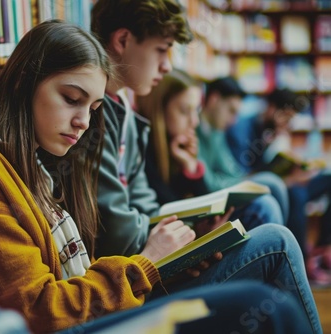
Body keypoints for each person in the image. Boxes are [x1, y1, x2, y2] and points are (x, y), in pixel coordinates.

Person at [0, 19, 321, 333]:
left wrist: (172, 260)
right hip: (81, 320)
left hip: (105, 301)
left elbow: (82, 267)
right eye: (71, 99)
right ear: (23, 84)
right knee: (270, 261)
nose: (83, 122)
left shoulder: (34, 158)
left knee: (273, 241)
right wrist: (147, 263)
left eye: (93, 106)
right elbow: (38, 311)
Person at [88, 0, 321, 332]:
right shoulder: (92, 115)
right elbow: (118, 232)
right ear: (123, 40)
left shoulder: (124, 110)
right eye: (162, 50)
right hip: (135, 274)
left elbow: (146, 204)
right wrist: (189, 237)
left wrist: (191, 234)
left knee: (270, 209)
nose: (167, 66)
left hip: (149, 256)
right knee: (276, 239)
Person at [135, 68, 283, 231]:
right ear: (160, 111)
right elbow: (167, 209)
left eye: (196, 111)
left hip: (191, 231)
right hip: (177, 240)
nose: (194, 121)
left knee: (271, 200)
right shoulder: (144, 149)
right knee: (266, 206)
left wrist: (191, 167)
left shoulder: (182, 144)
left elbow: (229, 175)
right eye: (185, 111)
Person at [226, 87, 331, 285]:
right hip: (271, 188)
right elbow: (242, 178)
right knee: (296, 193)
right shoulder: (242, 129)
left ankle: (323, 248)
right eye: (287, 118)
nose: (288, 125)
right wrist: (289, 180)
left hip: (283, 183)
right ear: (273, 108)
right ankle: (303, 263)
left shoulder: (272, 130)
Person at [196, 77, 290, 224]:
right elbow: (210, 184)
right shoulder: (194, 132)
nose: (233, 121)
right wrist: (242, 182)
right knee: (271, 189)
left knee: (274, 187)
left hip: (224, 189)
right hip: (209, 201)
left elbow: (231, 170)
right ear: (214, 99)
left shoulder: (216, 132)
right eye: (231, 111)